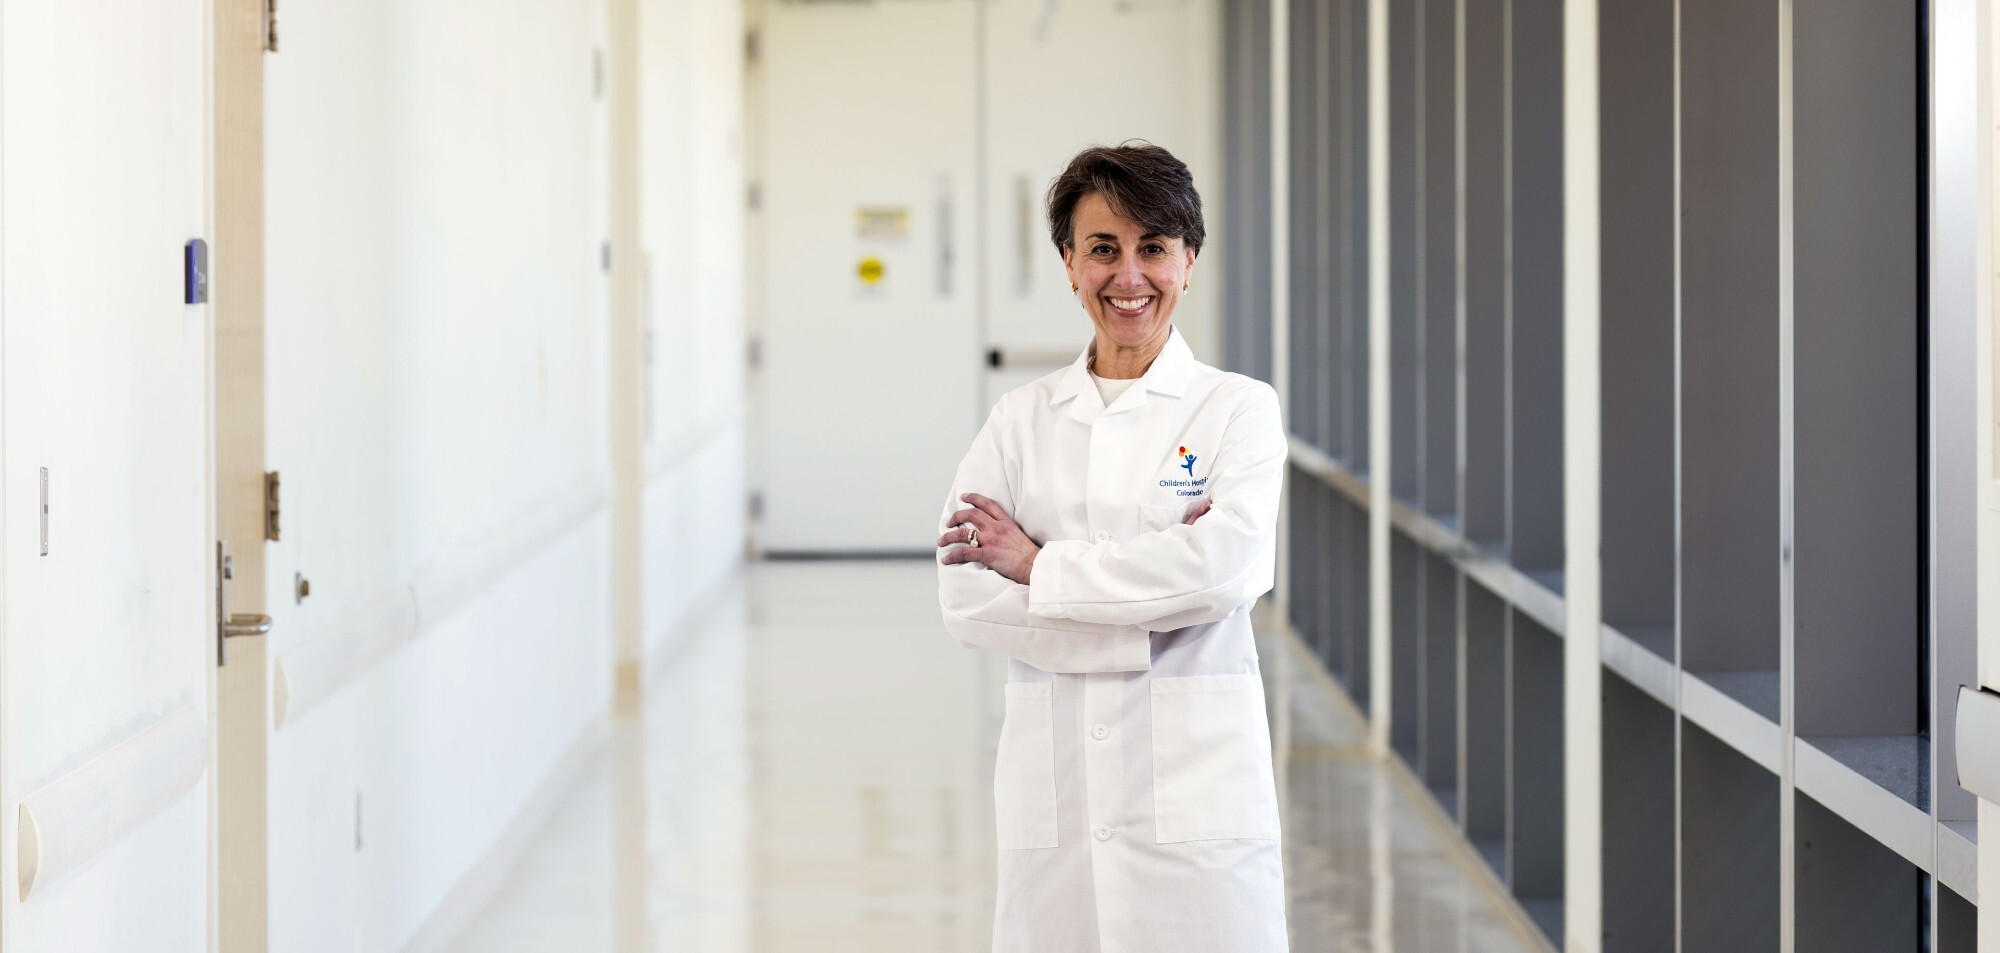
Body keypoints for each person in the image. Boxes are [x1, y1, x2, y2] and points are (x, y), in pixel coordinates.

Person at [935, 142, 1289, 953]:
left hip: (1198, 809)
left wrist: (1036, 566)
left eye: (1153, 248)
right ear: (1068, 264)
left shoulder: (1237, 410)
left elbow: (1228, 567)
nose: (1129, 277)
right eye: (1103, 249)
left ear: (1189, 261)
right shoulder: (1019, 421)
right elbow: (966, 599)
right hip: (1057, 806)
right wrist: (1154, 614)